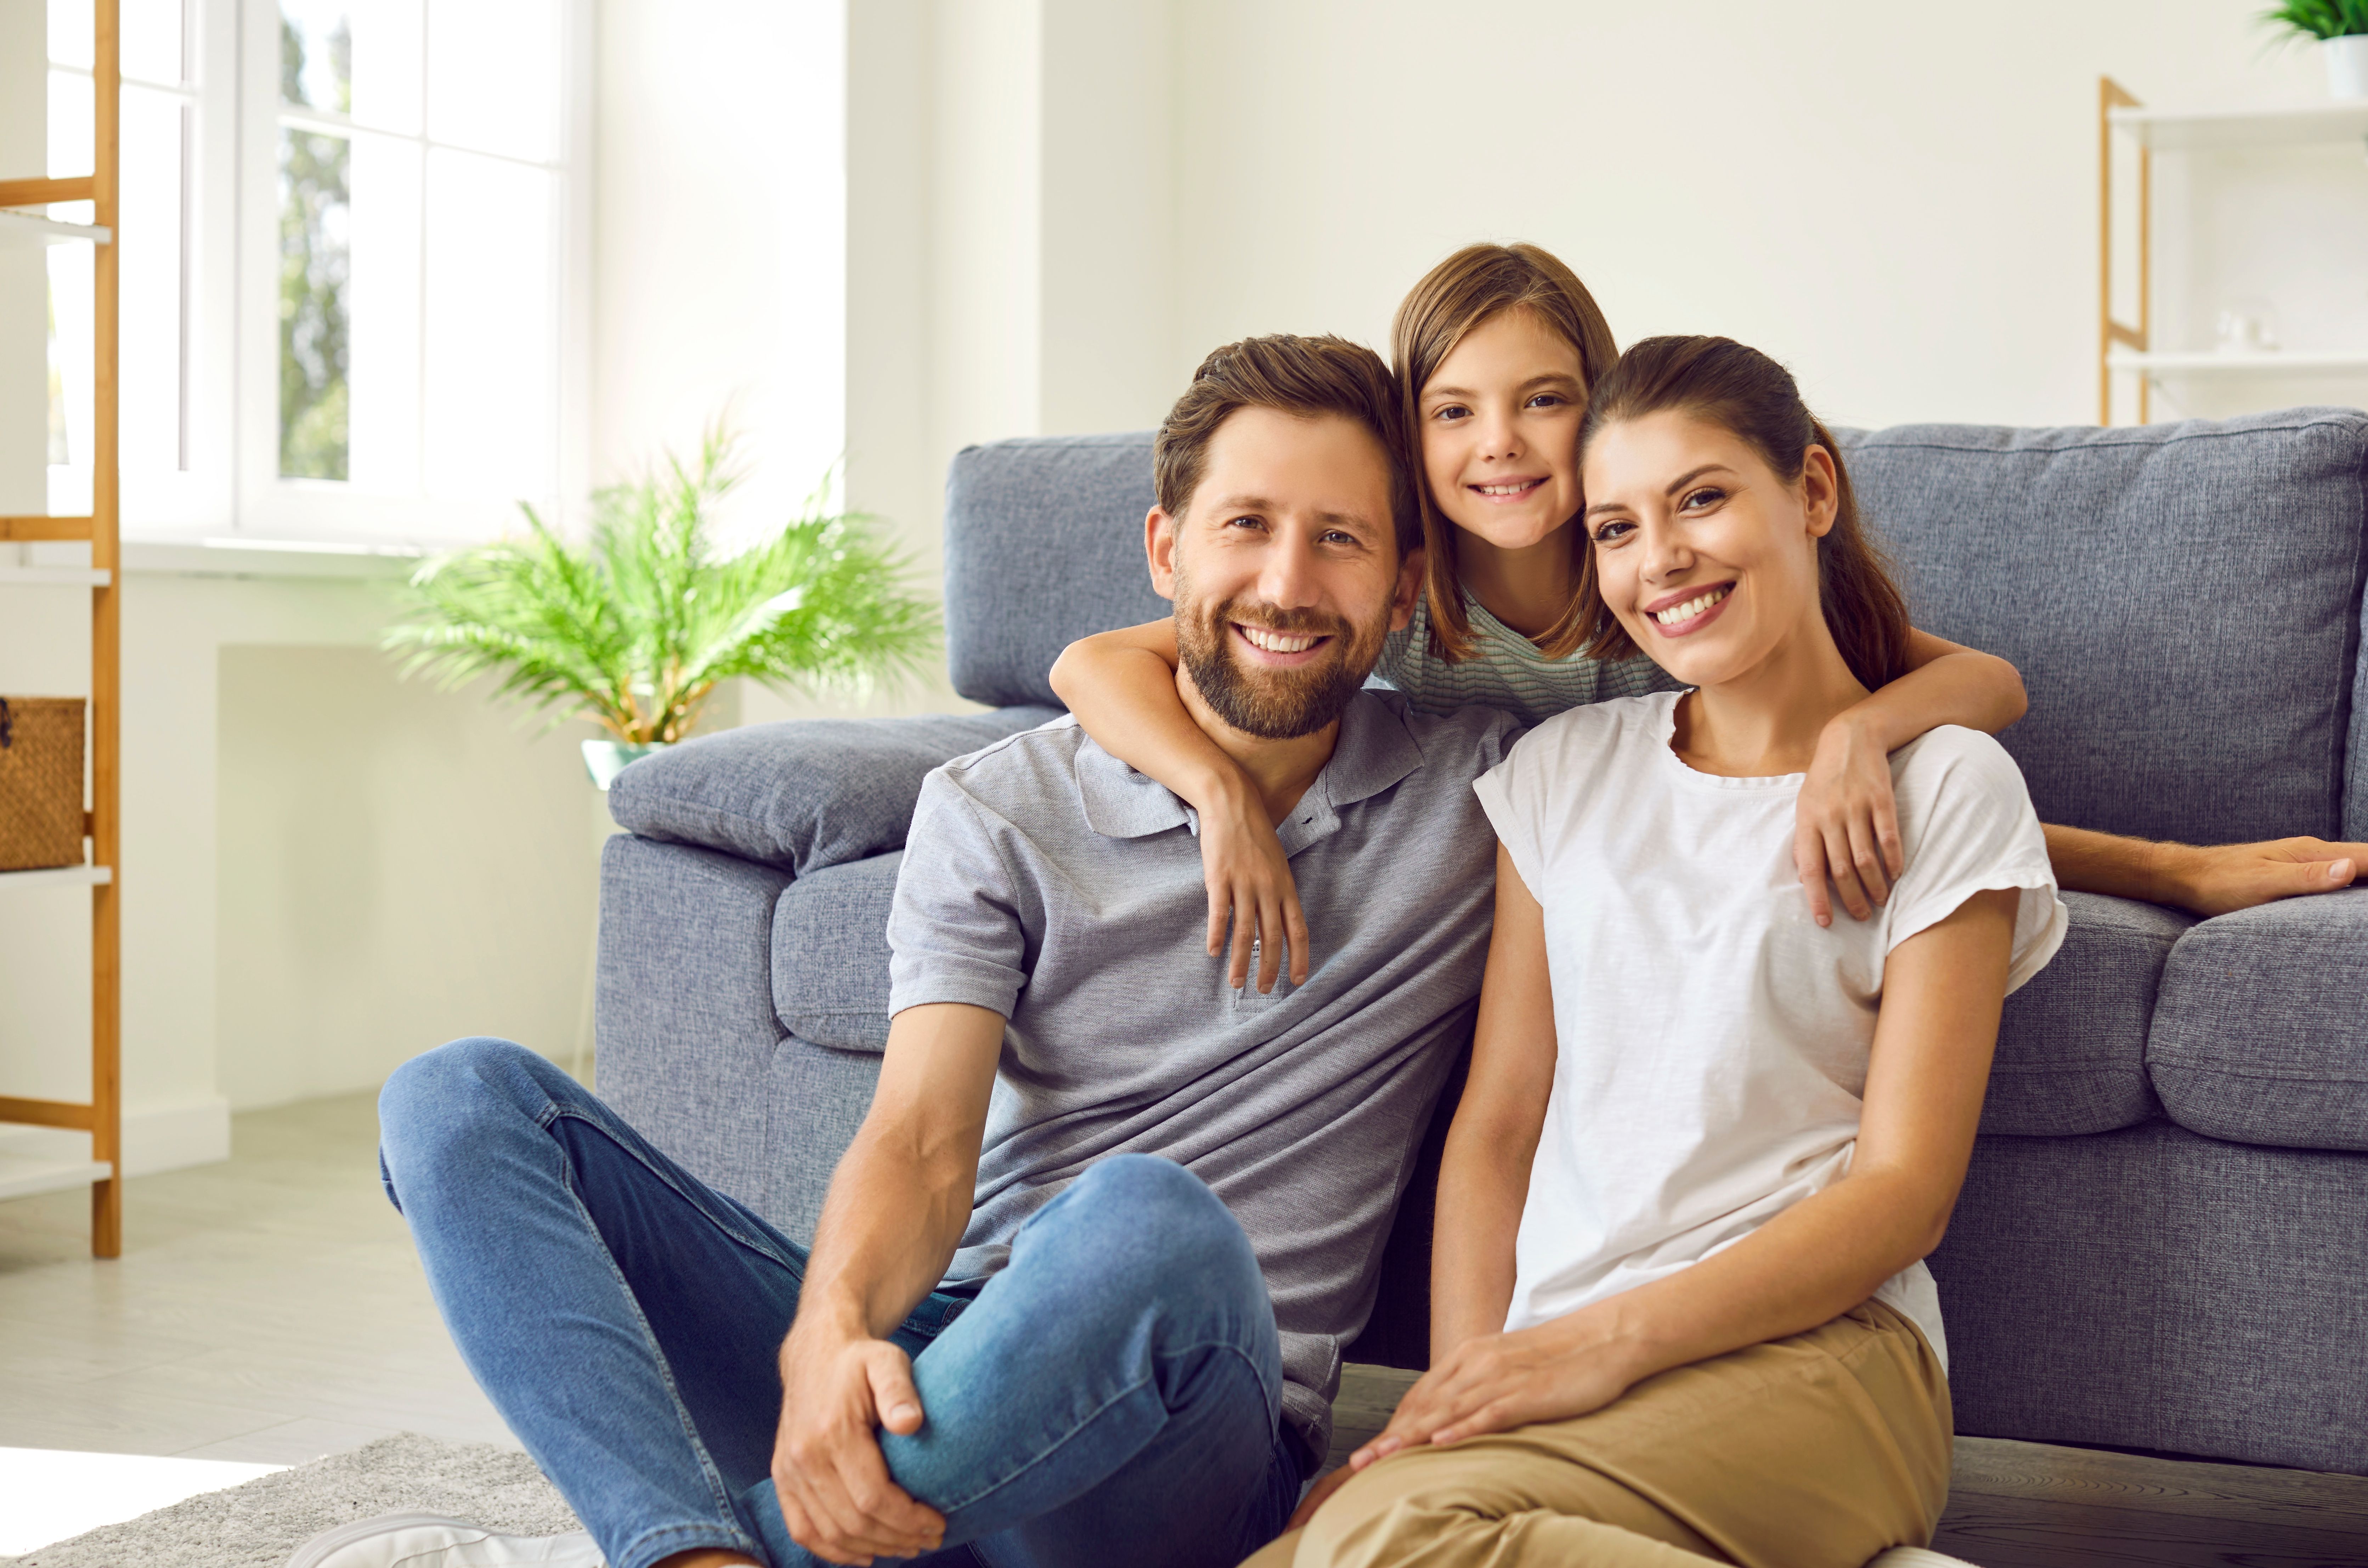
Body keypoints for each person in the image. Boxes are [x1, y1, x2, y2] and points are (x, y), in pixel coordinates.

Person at [321, 333, 1523, 1568]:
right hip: (950, 1360)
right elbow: (922, 1137)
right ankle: (695, 1555)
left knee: (1149, 1216)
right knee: (459, 1097)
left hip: (1192, 1423)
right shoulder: (996, 805)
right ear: (1165, 551)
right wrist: (831, 1329)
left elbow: (1655, 639)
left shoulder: (1482, 792)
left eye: (1340, 538)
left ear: (1400, 579)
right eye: (1246, 525)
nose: (1287, 581)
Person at [1251, 335, 2068, 1568]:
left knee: (1392, 1544)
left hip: (1825, 1359)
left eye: (1702, 498)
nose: (1661, 558)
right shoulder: (1560, 775)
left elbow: (1907, 1190)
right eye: (1616, 527)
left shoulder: (1948, 784)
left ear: (1810, 492)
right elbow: (1501, 1125)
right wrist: (1470, 1381)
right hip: (1556, 1358)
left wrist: (1607, 1341)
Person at [1050, 244, 2368, 992]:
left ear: (1603, 408)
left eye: (1545, 401)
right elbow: (1091, 660)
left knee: (1844, 789)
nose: (1500, 447)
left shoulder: (1663, 586)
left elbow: (1987, 684)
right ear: (1414, 431)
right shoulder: (1390, 593)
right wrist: (1219, 797)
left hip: (1702, 840)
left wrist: (1858, 734)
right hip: (1513, 878)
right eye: (1455, 411)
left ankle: (2173, 865)